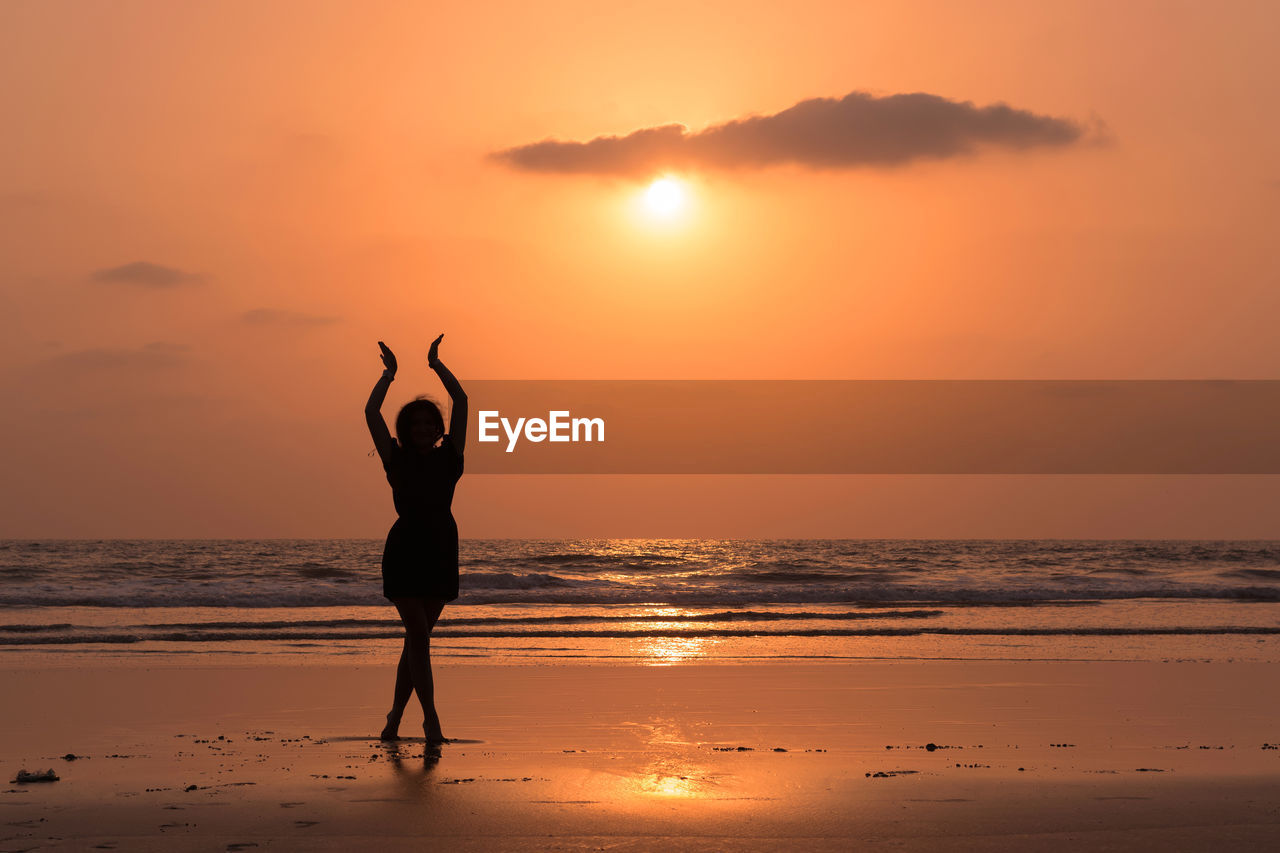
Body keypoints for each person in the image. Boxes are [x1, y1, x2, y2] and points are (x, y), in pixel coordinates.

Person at [364, 334, 467, 744]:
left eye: (429, 423)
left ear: (438, 429)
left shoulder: (451, 456)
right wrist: (389, 375)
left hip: (441, 548)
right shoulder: (395, 457)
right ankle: (432, 721)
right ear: (405, 430)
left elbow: (461, 401)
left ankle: (393, 719)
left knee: (416, 641)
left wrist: (437, 366)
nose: (423, 428)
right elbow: (371, 411)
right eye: (415, 423)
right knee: (420, 638)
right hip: (405, 549)